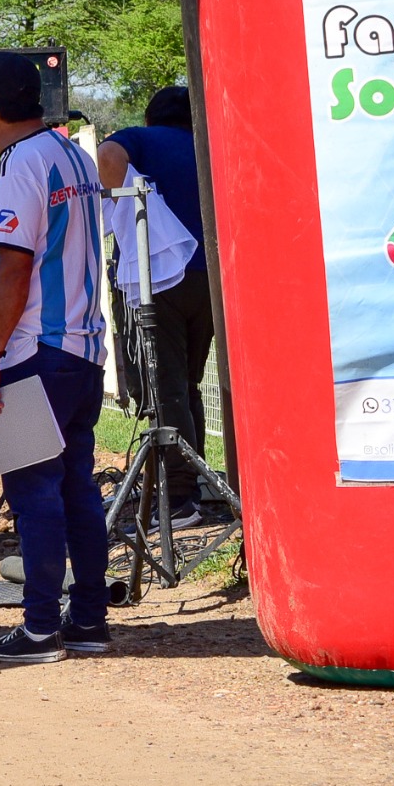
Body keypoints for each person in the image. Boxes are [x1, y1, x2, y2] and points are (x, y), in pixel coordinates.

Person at [0, 51, 111, 664]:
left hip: (33, 352)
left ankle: (42, 627)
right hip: (84, 351)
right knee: (77, 486)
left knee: (35, 492)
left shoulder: (19, 165)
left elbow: (15, 267)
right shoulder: (72, 152)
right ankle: (90, 622)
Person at [99, 85, 218, 526]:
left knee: (166, 385)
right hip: (212, 281)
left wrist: (116, 207)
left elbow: (109, 155)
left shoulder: (143, 139)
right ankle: (201, 479)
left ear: (151, 118)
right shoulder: (206, 143)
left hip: (165, 277)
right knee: (189, 382)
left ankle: (180, 497)